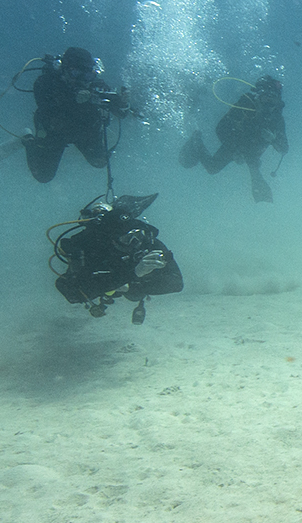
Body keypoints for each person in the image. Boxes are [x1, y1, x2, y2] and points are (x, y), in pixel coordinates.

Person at [51, 193, 184, 324]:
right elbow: (72, 293)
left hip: (130, 285)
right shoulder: (94, 250)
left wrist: (131, 287)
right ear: (112, 240)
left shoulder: (147, 242)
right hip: (107, 280)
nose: (134, 242)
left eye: (136, 235)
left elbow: (176, 283)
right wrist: (133, 274)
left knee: (134, 296)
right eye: (126, 238)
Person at [25, 47, 131, 183]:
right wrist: (73, 98)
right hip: (55, 134)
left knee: (100, 162)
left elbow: (121, 114)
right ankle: (28, 139)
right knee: (43, 176)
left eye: (87, 75)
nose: (81, 80)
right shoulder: (46, 82)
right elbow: (47, 110)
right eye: (75, 73)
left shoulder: (96, 86)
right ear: (64, 68)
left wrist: (122, 103)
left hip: (85, 131)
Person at [179, 74, 288, 202]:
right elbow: (221, 128)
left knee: (254, 168)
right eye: (266, 97)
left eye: (273, 98)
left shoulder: (277, 118)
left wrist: (273, 139)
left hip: (252, 151)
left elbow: (284, 148)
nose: (269, 102)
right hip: (234, 143)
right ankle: (197, 141)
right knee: (212, 168)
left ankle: (258, 187)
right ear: (259, 95)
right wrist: (235, 150)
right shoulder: (245, 106)